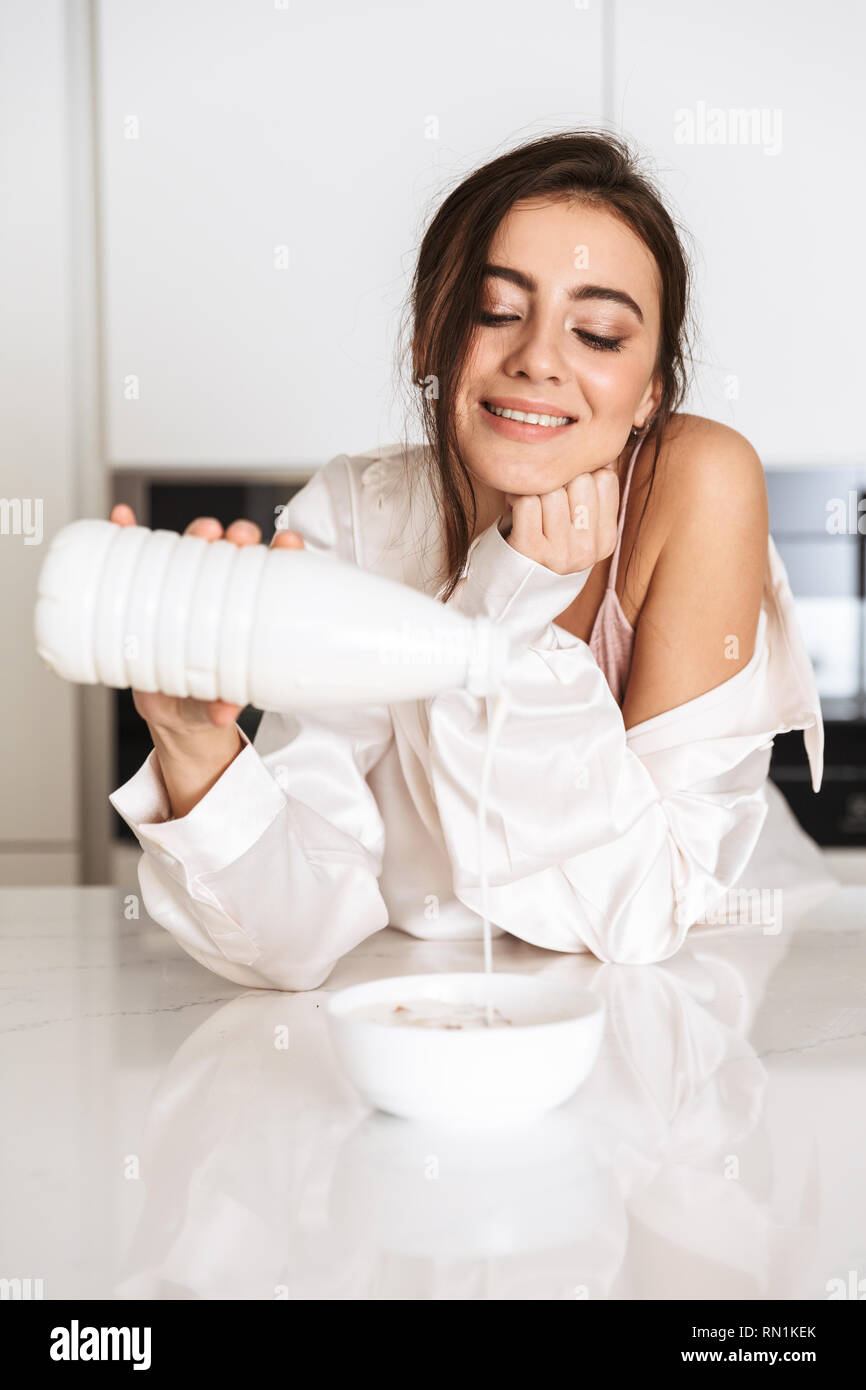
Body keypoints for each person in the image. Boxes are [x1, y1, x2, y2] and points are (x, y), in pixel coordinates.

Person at [109, 130, 834, 990]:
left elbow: (644, 914)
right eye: (496, 312)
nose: (538, 359)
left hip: (695, 977)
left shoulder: (699, 481)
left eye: (598, 333)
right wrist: (197, 750)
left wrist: (512, 607)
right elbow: (295, 942)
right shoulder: (358, 517)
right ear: (429, 340)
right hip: (432, 988)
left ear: (650, 393)